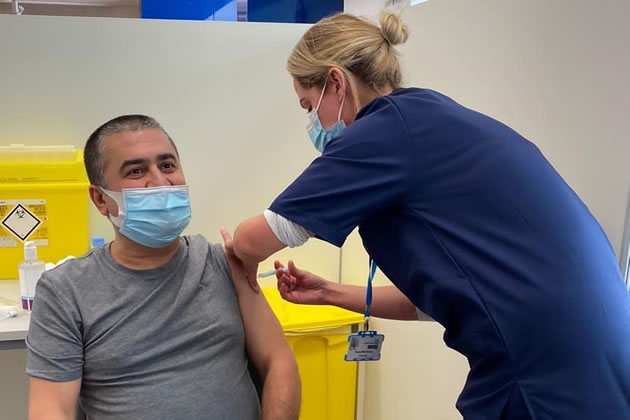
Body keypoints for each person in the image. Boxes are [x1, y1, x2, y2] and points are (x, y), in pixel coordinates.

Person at [222, 11, 630, 420]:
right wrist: (329, 293)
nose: (312, 122)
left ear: (336, 82)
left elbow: (255, 237)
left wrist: (240, 259)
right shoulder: (430, 120)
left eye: (309, 106)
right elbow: (444, 295)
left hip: (544, 368)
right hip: (599, 348)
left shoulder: (384, 132)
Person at [26, 115, 301, 420]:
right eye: (136, 170)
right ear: (100, 199)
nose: (159, 181)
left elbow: (278, 362)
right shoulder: (65, 290)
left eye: (167, 166)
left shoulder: (225, 263)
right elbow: (52, 409)